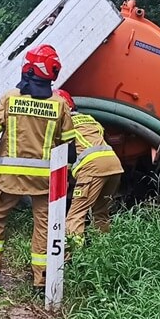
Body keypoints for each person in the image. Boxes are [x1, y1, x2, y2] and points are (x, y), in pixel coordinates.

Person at [0, 44, 77, 289]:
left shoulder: (9, 98)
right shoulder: (59, 104)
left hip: (7, 179)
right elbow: (70, 149)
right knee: (44, 226)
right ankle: (42, 280)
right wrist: (64, 178)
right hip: (45, 182)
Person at [56, 89, 124, 246]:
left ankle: (74, 259)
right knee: (101, 212)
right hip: (114, 164)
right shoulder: (89, 119)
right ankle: (102, 252)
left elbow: (63, 151)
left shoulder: (62, 124)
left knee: (75, 215)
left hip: (92, 168)